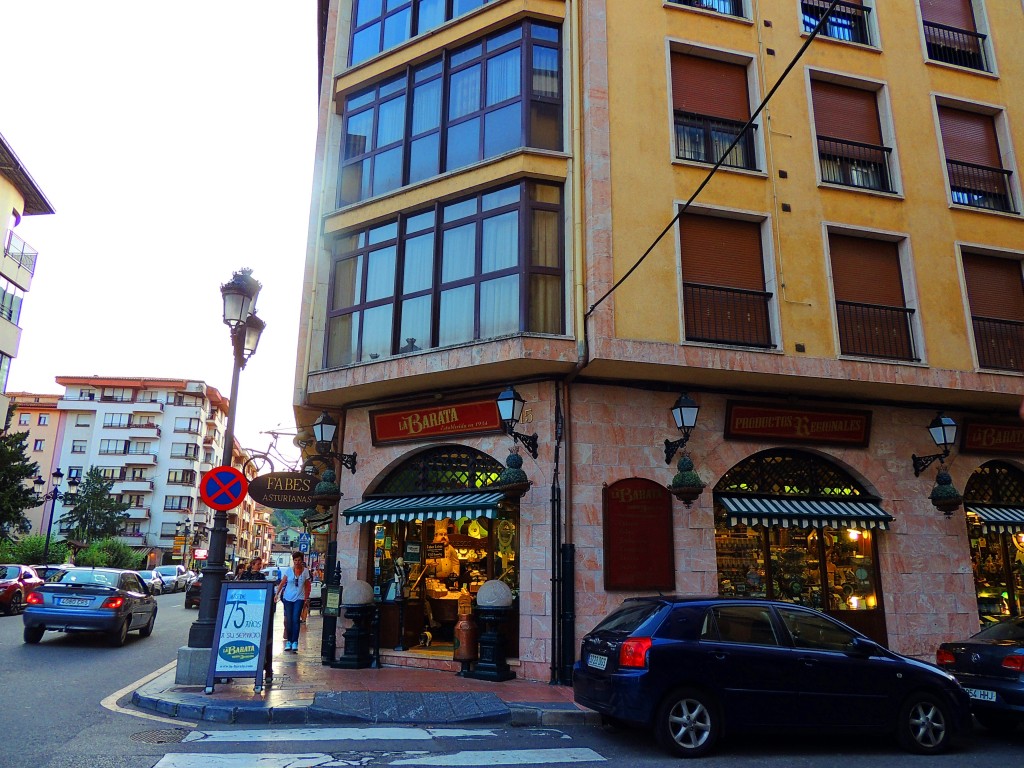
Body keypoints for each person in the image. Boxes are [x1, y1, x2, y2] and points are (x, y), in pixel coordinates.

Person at [275, 552, 311, 653]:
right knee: (289, 620)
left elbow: (307, 585)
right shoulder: (289, 570)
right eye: (295, 560)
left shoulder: (305, 572)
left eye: (299, 560)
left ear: (302, 560)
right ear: (293, 560)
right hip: (288, 598)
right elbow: (282, 583)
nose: (297, 562)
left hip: (299, 598)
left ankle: (295, 641)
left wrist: (307, 597)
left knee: (295, 619)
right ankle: (289, 641)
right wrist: (277, 594)